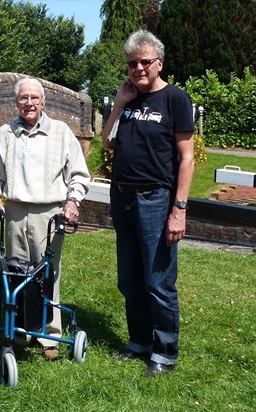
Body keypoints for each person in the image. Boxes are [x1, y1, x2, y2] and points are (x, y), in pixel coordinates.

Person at [101, 30, 195, 376]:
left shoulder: (175, 100)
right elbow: (108, 143)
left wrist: (179, 210)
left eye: (145, 62)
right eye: (132, 63)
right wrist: (118, 105)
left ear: (159, 63)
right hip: (122, 196)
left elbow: (187, 159)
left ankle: (165, 352)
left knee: (158, 280)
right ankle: (139, 341)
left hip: (156, 198)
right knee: (129, 278)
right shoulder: (128, 99)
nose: (138, 68)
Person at [0, 78, 90, 360]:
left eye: (34, 98)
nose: (29, 103)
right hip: (17, 211)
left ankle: (51, 335)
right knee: (16, 271)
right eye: (23, 98)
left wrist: (72, 202)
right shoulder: (6, 133)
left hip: (50, 211)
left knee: (48, 273)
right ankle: (19, 331)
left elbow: (79, 175)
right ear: (16, 102)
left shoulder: (61, 132)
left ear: (43, 101)